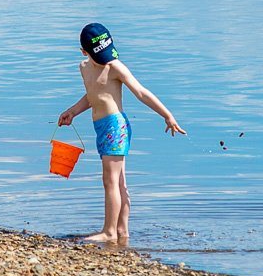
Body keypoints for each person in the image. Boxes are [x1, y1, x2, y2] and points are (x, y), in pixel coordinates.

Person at [57, 23, 185, 244]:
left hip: (116, 127)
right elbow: (93, 95)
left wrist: (167, 115)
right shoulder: (84, 67)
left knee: (110, 181)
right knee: (119, 182)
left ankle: (109, 232)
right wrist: (73, 112)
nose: (105, 59)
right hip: (102, 128)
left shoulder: (115, 67)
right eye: (98, 55)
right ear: (84, 52)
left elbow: (141, 91)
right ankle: (122, 231)